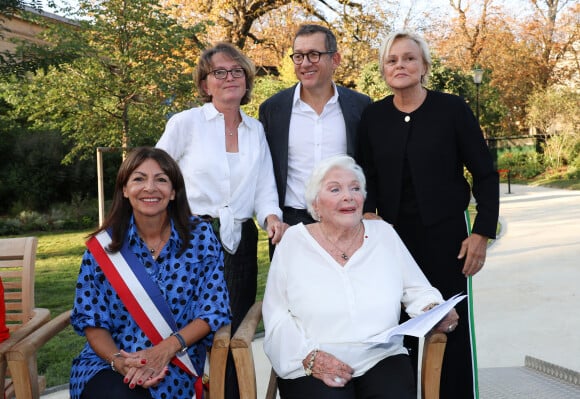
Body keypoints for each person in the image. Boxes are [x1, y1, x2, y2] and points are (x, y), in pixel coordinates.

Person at [355, 31, 499, 399]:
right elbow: (364, 175)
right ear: (384, 69)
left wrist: (481, 233)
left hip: (448, 239)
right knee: (400, 329)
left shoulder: (452, 109)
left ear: (424, 67)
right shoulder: (373, 117)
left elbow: (484, 174)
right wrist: (368, 214)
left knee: (449, 328)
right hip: (392, 242)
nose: (400, 65)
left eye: (408, 58)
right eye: (392, 60)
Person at [262, 155, 459, 399]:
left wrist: (435, 310)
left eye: (355, 188)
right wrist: (310, 357)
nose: (348, 196)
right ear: (316, 204)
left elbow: (417, 289)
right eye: (335, 189)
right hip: (314, 358)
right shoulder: (293, 242)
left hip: (381, 355)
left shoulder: (384, 235)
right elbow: (276, 314)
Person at [156, 42, 287, 398]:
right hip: (189, 238)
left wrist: (272, 217)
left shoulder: (256, 130)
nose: (230, 77)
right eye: (219, 72)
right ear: (204, 83)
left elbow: (263, 187)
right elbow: (156, 173)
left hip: (240, 242)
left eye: (237, 71)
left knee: (231, 330)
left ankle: (228, 393)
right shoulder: (186, 123)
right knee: (187, 327)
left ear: (246, 80)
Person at [69, 147, 231, 399]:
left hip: (176, 361)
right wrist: (120, 362)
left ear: (174, 191)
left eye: (161, 179)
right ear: (124, 189)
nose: (150, 188)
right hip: (109, 361)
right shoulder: (103, 247)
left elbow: (214, 309)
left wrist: (164, 350)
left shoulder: (200, 237)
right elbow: (92, 321)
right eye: (139, 179)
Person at [259, 24, 372, 228]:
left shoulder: (361, 106)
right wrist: (272, 217)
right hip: (291, 223)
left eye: (313, 54)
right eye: (299, 56)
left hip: (346, 219)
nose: (305, 63)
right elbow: (265, 171)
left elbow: (369, 164)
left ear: (335, 59)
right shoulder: (272, 109)